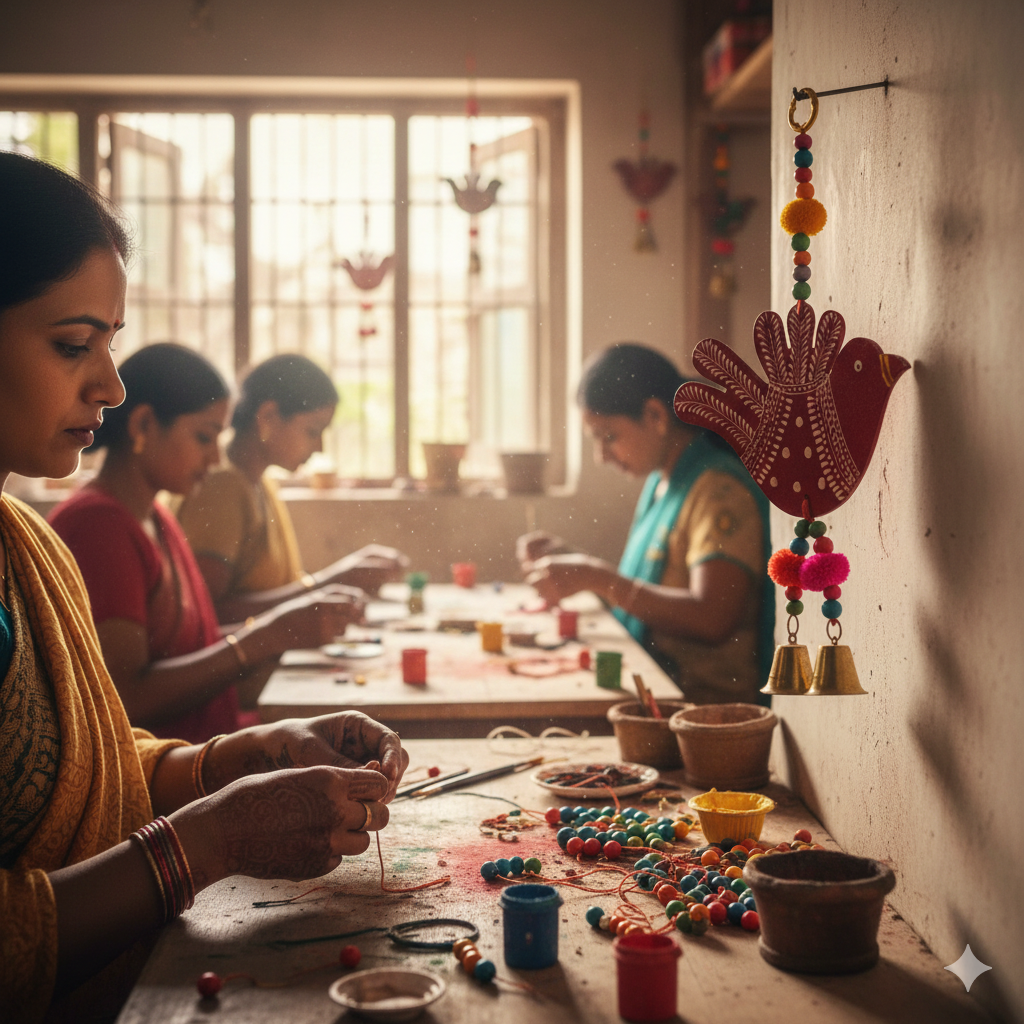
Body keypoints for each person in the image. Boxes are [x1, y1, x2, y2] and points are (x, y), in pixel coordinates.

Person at [0, 151, 408, 1023]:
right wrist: (211, 838)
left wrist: (244, 756)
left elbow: (99, 763)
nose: (109, 384)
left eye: (108, 347)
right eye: (74, 345)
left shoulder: (27, 540)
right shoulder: (94, 526)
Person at [49, 343, 365, 745]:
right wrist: (266, 636)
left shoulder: (155, 517)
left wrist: (285, 628)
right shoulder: (98, 526)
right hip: (161, 775)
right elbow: (128, 699)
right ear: (143, 425)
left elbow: (191, 644)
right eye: (203, 437)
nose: (215, 458)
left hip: (206, 744)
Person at [518, 343, 773, 705]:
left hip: (707, 714)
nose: (602, 456)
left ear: (655, 415)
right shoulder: (664, 480)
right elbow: (650, 585)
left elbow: (713, 618)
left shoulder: (718, 490)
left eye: (609, 436)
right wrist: (574, 564)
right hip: (662, 689)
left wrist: (596, 577)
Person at [176, 354, 407, 624]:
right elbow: (207, 614)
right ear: (268, 416)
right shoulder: (222, 486)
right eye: (312, 431)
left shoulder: (260, 482)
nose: (320, 447)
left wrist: (338, 580)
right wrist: (332, 581)